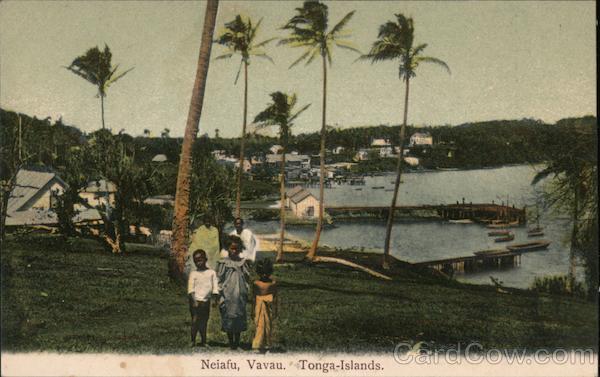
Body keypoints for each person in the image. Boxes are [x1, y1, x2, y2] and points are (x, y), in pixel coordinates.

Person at [216, 235, 250, 350]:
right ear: (227, 248)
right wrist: (219, 292)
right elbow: (219, 279)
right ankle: (231, 342)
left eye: (236, 249)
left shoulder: (242, 262)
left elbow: (246, 278)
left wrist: (246, 290)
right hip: (228, 294)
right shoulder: (223, 263)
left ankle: (237, 341)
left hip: (239, 294)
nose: (234, 251)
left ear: (240, 249)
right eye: (232, 248)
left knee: (239, 316)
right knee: (228, 315)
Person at [187, 249, 219, 347]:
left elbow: (215, 287)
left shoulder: (211, 273)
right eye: (196, 261)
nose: (198, 263)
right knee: (195, 321)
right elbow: (190, 289)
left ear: (205, 259)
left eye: (200, 260)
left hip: (206, 301)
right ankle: (192, 341)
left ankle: (204, 341)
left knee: (204, 321)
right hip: (195, 300)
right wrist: (194, 301)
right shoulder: (193, 274)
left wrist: (214, 299)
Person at [252, 259, 277, 352]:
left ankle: (267, 344)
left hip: (269, 306)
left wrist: (275, 309)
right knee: (259, 325)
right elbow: (254, 297)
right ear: (258, 272)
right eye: (262, 273)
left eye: (266, 273)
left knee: (268, 325)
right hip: (258, 306)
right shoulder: (256, 283)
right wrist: (252, 310)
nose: (264, 275)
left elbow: (275, 297)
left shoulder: (273, 283)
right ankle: (257, 345)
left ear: (270, 271)